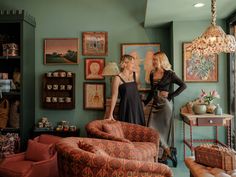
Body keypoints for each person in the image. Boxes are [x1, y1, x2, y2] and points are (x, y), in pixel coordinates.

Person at [143, 51, 186, 166]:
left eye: (155, 59)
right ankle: (169, 152)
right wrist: (145, 103)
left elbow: (183, 85)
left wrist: (171, 95)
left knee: (164, 132)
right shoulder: (152, 73)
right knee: (151, 130)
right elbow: (152, 91)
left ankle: (164, 155)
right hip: (155, 104)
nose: (153, 62)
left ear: (161, 60)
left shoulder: (169, 74)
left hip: (165, 106)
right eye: (153, 60)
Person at [107, 54, 145, 126]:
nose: (134, 65)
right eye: (132, 63)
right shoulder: (117, 78)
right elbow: (114, 96)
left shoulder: (135, 75)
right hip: (125, 107)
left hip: (137, 106)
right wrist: (110, 114)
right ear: (125, 63)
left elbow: (138, 88)